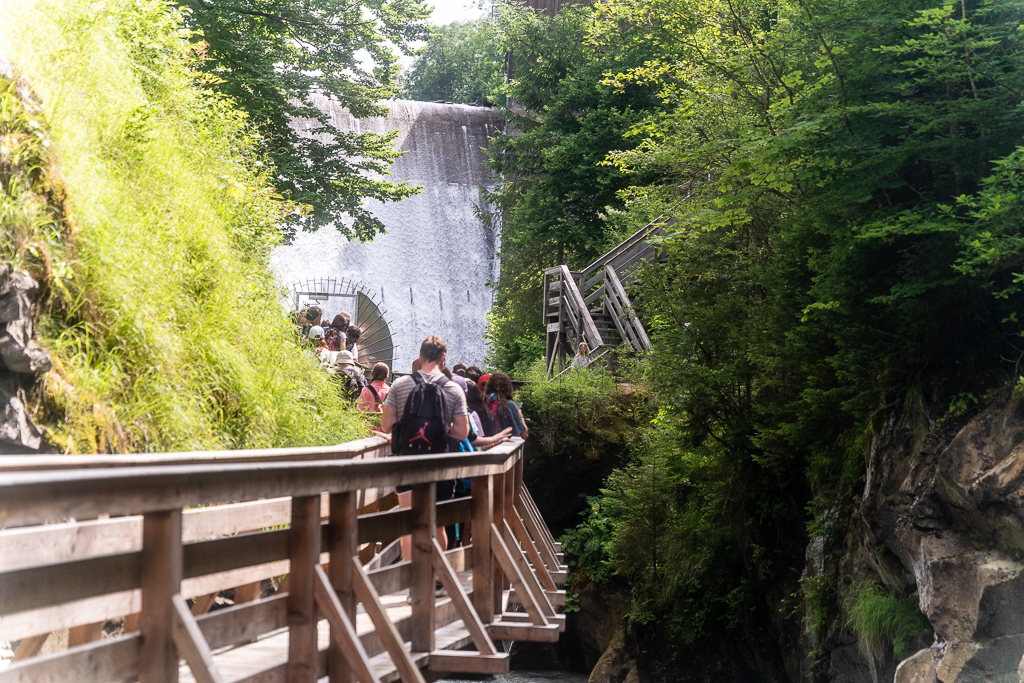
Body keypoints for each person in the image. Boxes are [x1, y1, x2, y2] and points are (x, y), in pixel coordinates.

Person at [381, 336, 469, 563]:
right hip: (440, 463)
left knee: (410, 522)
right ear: (443, 358)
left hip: (406, 462)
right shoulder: (453, 389)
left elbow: (387, 425)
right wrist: (439, 429)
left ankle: (411, 577)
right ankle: (436, 577)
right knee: (436, 523)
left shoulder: (400, 385)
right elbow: (462, 433)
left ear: (419, 357)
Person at [485, 372, 528, 439]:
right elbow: (524, 434)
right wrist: (521, 416)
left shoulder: (483, 402)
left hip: (484, 445)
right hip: (502, 446)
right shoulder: (508, 405)